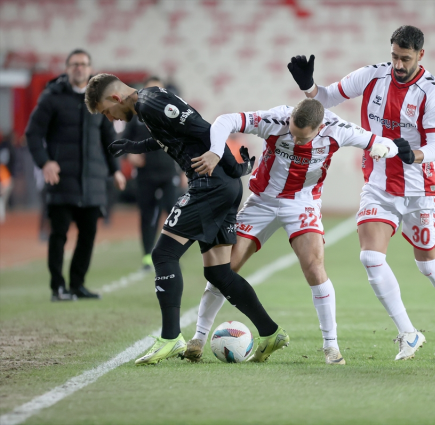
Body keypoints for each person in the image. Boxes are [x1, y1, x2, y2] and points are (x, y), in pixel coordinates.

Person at [85, 73, 289, 365]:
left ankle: (170, 338)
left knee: (164, 253)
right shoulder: (149, 102)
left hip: (210, 185)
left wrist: (232, 164)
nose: (110, 118)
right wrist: (134, 147)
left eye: (106, 112)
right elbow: (170, 137)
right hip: (222, 186)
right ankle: (271, 333)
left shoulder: (150, 103)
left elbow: (205, 129)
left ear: (115, 98)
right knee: (219, 273)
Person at [287, 25, 435, 359]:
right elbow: (328, 98)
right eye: (395, 56)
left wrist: (414, 153)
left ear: (420, 56)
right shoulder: (372, 76)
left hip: (420, 187)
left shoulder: (432, 93)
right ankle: (408, 333)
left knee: (427, 264)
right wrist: (309, 85)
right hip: (380, 184)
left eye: (406, 59)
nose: (398, 64)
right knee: (370, 257)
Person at [183, 99, 398, 365]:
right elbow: (225, 120)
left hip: (302, 203)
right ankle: (198, 338)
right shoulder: (275, 120)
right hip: (262, 201)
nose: (295, 141)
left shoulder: (338, 129)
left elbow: (387, 142)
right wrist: (216, 150)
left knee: (314, 267)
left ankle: (331, 347)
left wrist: (383, 149)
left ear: (320, 127)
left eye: (302, 138)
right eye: (293, 134)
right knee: (224, 269)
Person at [25, 49, 126, 302]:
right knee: (58, 235)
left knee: (88, 235)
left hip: (93, 182)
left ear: (91, 69)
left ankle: (78, 285)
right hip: (61, 181)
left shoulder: (100, 100)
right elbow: (33, 133)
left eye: (83, 64)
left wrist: (115, 170)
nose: (79, 68)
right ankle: (57, 288)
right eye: (74, 64)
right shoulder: (51, 97)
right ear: (67, 68)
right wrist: (45, 162)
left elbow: (108, 138)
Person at [119, 76, 181, 270]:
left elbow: (185, 143)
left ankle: (171, 256)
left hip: (169, 173)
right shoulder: (135, 116)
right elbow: (122, 143)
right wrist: (130, 156)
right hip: (145, 174)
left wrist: (187, 170)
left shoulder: (174, 114)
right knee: (147, 215)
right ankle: (147, 256)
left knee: (174, 214)